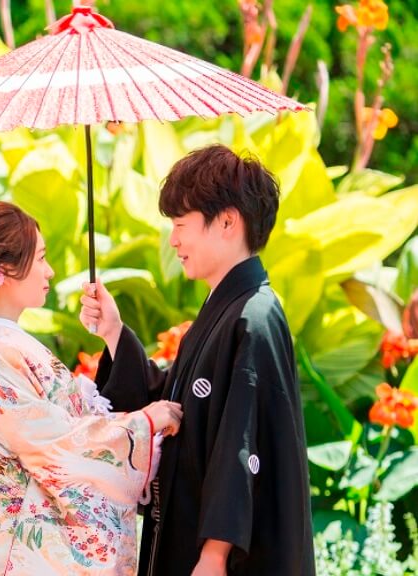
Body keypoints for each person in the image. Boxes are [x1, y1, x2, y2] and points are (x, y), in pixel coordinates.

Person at [80, 145, 314, 576]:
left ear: (227, 222)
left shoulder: (254, 316)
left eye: (181, 224)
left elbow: (240, 444)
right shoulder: (226, 306)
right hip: (189, 536)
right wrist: (113, 332)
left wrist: (214, 555)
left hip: (218, 558)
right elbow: (175, 403)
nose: (173, 240)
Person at [0, 201, 183, 575]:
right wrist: (145, 424)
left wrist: (112, 333)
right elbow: (58, 448)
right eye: (41, 257)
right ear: (3, 270)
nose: (50, 270)